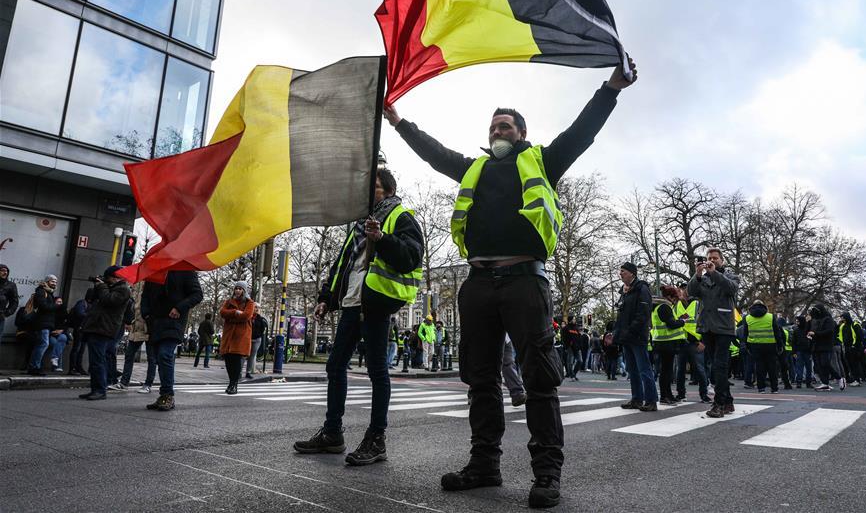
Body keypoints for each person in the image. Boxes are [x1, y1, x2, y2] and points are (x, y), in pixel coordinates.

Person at [383, 57, 636, 509]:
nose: (498, 132)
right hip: (479, 283)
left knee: (539, 379)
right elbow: (434, 153)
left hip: (524, 281)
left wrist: (612, 87)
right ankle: (484, 464)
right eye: (493, 127)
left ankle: (546, 474)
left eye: (506, 126)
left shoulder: (543, 161)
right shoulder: (473, 169)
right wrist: (399, 120)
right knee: (480, 378)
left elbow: (582, 132)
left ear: (521, 132)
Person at [293, 168, 424, 466]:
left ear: (388, 190)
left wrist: (383, 238)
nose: (368, 193)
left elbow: (411, 257)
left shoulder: (401, 216)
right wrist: (326, 298)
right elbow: (343, 265)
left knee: (378, 371)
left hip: (376, 304)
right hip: (353, 303)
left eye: (374, 188)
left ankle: (376, 438)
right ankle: (332, 433)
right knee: (335, 365)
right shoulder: (358, 225)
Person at [688, 249, 740, 418]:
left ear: (722, 261)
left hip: (724, 327)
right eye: (709, 258)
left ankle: (719, 403)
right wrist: (697, 274)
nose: (712, 260)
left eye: (715, 258)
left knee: (720, 365)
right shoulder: (703, 279)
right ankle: (728, 401)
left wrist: (714, 273)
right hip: (707, 327)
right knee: (716, 367)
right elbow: (691, 292)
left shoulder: (730, 276)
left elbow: (731, 289)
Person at [142, 270, 203, 411]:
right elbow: (145, 295)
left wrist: (179, 307)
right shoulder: (154, 272)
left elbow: (197, 294)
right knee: (159, 357)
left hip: (174, 320)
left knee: (165, 354)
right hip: (156, 321)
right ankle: (164, 395)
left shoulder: (185, 271)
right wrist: (146, 314)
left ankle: (168, 395)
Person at [78, 267, 131, 400]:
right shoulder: (110, 287)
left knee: (98, 360)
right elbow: (94, 299)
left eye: (108, 278)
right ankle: (95, 389)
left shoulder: (123, 289)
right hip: (97, 326)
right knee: (95, 360)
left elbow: (109, 300)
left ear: (113, 277)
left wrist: (102, 287)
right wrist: (99, 286)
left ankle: (100, 390)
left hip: (104, 327)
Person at [614, 262, 657, 412]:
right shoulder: (624, 292)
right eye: (620, 271)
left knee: (644, 369)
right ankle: (637, 399)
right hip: (627, 337)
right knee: (632, 370)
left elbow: (643, 314)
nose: (621, 274)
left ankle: (651, 400)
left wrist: (630, 330)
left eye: (623, 271)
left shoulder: (642, 289)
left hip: (637, 336)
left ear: (632, 273)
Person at [674, 286, 710, 403]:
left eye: (682, 289)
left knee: (700, 369)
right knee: (680, 371)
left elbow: (706, 322)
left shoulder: (698, 305)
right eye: (679, 289)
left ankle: (704, 394)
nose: (680, 292)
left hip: (695, 343)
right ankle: (681, 394)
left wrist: (704, 342)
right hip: (681, 342)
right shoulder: (676, 306)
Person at [739, 300, 783, 394]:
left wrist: (747, 346)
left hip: (755, 346)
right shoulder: (770, 316)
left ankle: (761, 388)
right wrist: (780, 345)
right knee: (772, 367)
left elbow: (745, 334)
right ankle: (774, 388)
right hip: (770, 345)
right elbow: (777, 332)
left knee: (759, 367)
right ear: (764, 306)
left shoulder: (748, 318)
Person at [653, 285, 686, 406]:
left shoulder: (661, 307)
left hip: (662, 343)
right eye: (675, 298)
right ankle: (665, 396)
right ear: (670, 297)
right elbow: (671, 324)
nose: (676, 301)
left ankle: (667, 395)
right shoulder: (665, 307)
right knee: (666, 371)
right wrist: (682, 322)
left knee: (666, 371)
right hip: (666, 343)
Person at [220, 281, 255, 394]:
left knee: (236, 361)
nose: (238, 291)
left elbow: (246, 316)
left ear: (244, 291)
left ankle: (233, 384)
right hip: (229, 335)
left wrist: (230, 317)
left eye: (240, 289)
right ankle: (231, 382)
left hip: (241, 336)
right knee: (228, 360)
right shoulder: (229, 301)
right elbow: (222, 312)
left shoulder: (249, 303)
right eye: (236, 288)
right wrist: (235, 312)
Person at [28, 275, 66, 376]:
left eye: (56, 282)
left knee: (42, 344)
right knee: (43, 344)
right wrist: (56, 306)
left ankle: (34, 366)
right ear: (47, 282)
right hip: (42, 323)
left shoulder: (49, 293)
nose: (54, 283)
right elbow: (44, 306)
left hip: (45, 324)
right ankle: (34, 367)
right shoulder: (41, 291)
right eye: (52, 281)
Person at [807, 303, 836, 391]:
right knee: (819, 365)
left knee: (825, 364)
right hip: (816, 345)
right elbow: (809, 330)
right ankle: (825, 383)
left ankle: (839, 378)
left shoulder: (828, 319)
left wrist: (815, 334)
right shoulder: (815, 320)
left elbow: (829, 332)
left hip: (826, 345)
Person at [119, 313, 150, 389]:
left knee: (151, 357)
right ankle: (124, 382)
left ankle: (148, 384)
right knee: (129, 354)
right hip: (136, 327)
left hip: (149, 328)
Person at [66, 290, 92, 376]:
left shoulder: (91, 304)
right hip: (79, 329)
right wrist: (91, 315)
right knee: (76, 349)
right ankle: (72, 368)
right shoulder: (81, 303)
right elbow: (80, 313)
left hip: (85, 330)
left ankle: (79, 367)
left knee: (81, 350)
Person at [0, 264, 20, 360]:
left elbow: (14, 302)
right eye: (3, 270)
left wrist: (6, 313)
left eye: (6, 271)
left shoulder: (11, 285)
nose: (5, 272)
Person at [247, 312, 267, 379]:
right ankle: (239, 372)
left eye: (257, 308)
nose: (256, 309)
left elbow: (263, 328)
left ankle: (248, 372)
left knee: (252, 355)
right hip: (248, 338)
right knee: (244, 355)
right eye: (255, 307)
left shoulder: (260, 318)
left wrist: (259, 335)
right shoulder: (248, 316)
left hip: (256, 338)